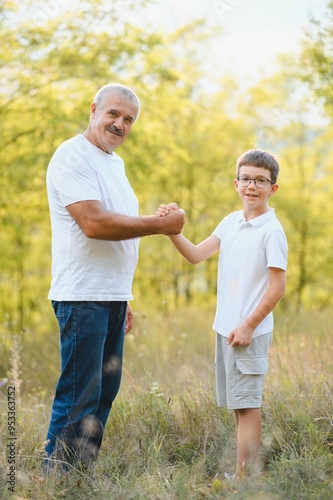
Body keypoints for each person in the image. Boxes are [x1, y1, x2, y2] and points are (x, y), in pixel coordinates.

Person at [44, 83, 185, 471]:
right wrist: (160, 226)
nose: (120, 124)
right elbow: (94, 223)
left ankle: (79, 475)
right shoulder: (73, 155)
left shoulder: (114, 163)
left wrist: (124, 298)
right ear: (94, 110)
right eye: (113, 114)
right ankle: (57, 480)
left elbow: (119, 233)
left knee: (104, 393)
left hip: (109, 297)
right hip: (82, 296)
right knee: (79, 395)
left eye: (128, 120)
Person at [156, 149, 288, 479]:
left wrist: (248, 325)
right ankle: (244, 473)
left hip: (249, 333)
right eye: (246, 179)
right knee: (237, 405)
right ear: (236, 183)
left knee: (248, 405)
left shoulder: (272, 231)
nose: (252, 186)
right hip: (226, 329)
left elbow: (277, 287)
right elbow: (196, 255)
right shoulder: (231, 221)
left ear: (273, 188)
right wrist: (171, 229)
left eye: (261, 181)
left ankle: (247, 479)